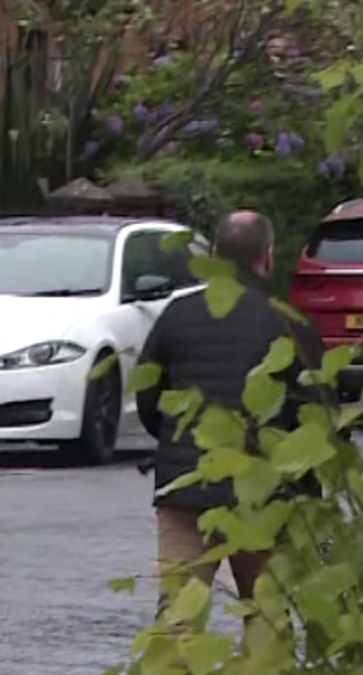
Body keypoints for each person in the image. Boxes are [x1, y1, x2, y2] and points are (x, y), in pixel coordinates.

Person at [136, 210, 326, 616]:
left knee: (177, 621)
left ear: (216, 255)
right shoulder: (291, 324)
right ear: (268, 257)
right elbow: (319, 416)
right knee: (266, 619)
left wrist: (176, 442)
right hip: (264, 493)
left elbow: (149, 400)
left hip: (186, 489)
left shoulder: (177, 315)